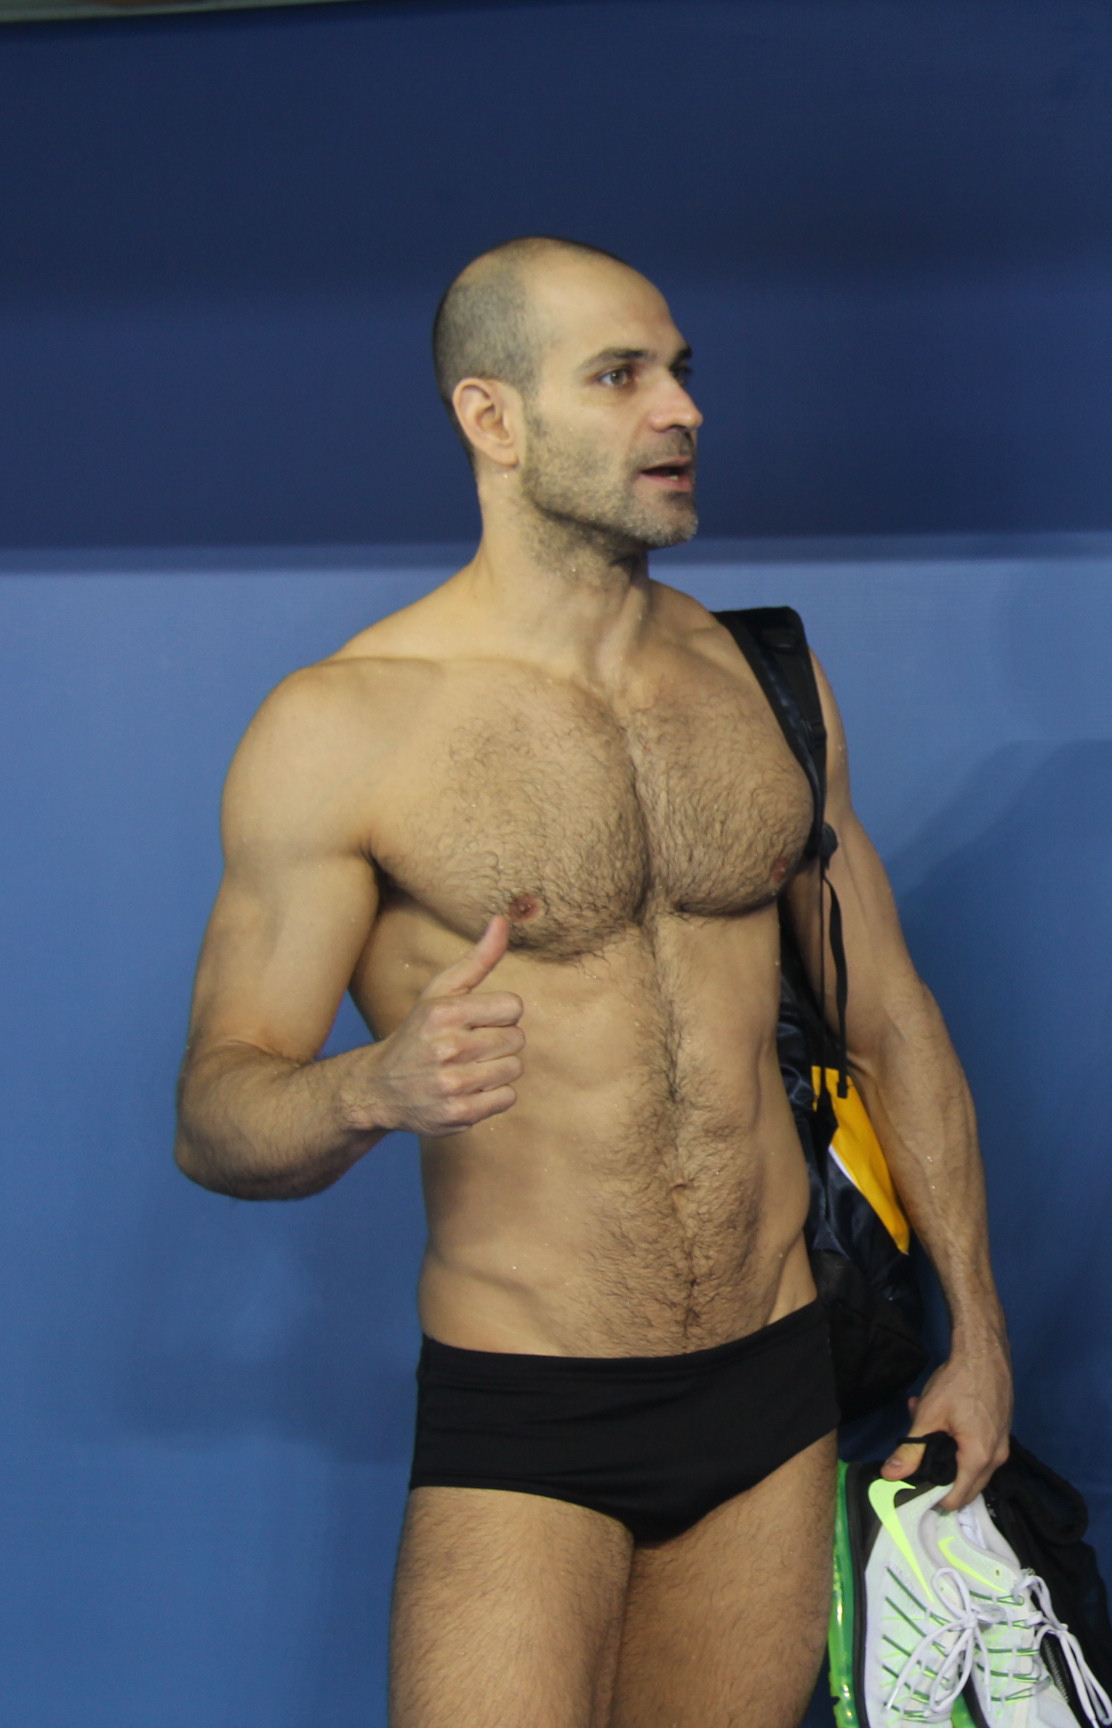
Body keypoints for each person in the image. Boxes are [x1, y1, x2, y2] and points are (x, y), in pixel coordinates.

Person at [174, 236, 1012, 1728]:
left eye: (680, 372)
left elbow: (890, 1015)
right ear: (491, 419)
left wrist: (980, 1332)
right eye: (619, 377)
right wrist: (372, 1088)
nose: (680, 410)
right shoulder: (346, 726)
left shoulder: (764, 683)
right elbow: (216, 1116)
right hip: (531, 1406)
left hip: (773, 1386)